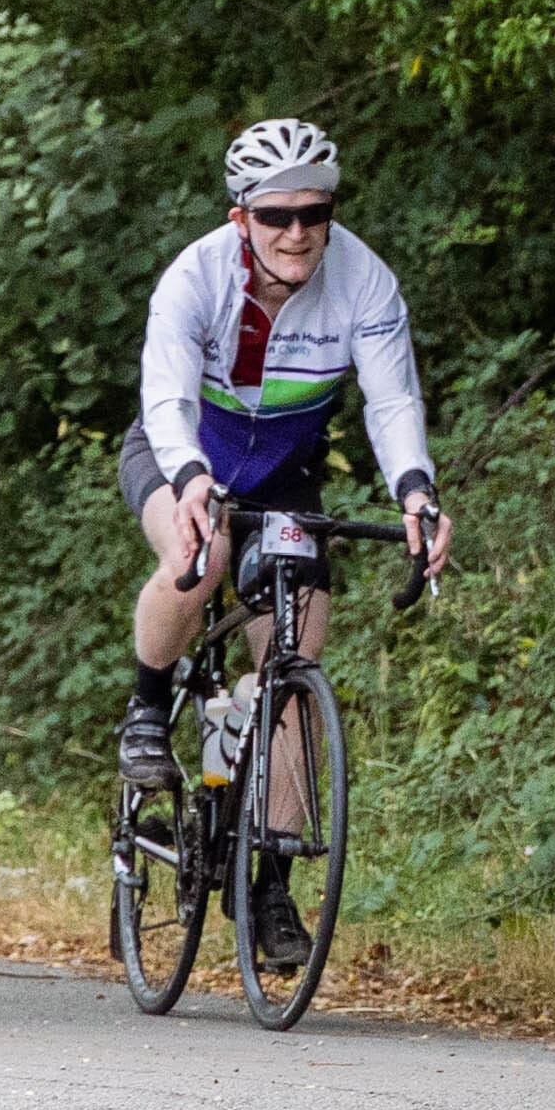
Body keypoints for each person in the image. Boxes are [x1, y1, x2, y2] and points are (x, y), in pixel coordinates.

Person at [116, 119, 452, 964]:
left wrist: (415, 490)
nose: (298, 232)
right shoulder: (194, 278)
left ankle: (271, 886)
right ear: (241, 218)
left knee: (296, 662)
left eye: (315, 212)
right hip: (180, 452)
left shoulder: (363, 281)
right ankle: (149, 708)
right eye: (277, 217)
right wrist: (192, 482)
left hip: (283, 473)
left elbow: (392, 403)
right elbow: (164, 400)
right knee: (200, 559)